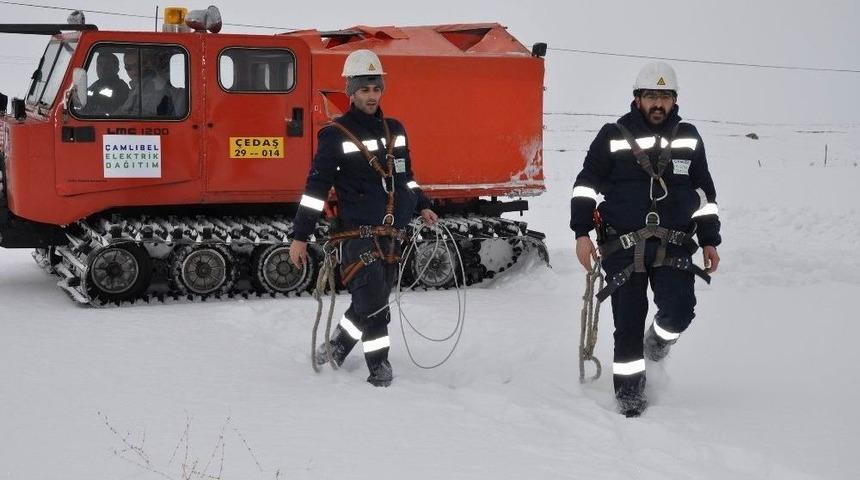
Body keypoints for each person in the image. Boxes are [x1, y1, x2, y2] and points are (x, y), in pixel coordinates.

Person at [569, 62, 721, 417]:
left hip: (675, 242)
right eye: (651, 95)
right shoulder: (612, 135)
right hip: (622, 246)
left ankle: (657, 343)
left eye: (665, 96)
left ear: (674, 101)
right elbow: (585, 186)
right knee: (628, 324)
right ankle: (630, 399)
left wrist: (710, 239)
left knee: (680, 311)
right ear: (637, 99)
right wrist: (581, 234)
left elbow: (704, 194)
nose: (658, 103)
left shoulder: (689, 136)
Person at [289, 49, 438, 387]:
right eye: (364, 89)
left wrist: (422, 203)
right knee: (373, 301)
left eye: (376, 88)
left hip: (393, 232)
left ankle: (339, 346)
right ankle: (379, 367)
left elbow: (406, 177)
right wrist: (300, 236)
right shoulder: (335, 135)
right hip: (356, 235)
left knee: (370, 300)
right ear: (351, 92)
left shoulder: (395, 130)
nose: (371, 96)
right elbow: (316, 188)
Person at [116, 50, 182, 117]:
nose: (133, 71)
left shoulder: (152, 86)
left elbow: (144, 115)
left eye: (137, 65)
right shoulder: (137, 87)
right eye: (128, 67)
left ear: (148, 65)